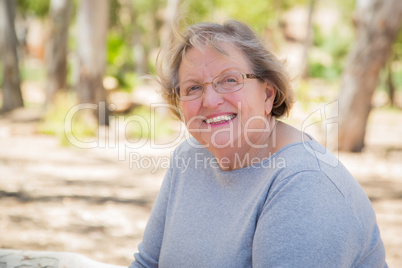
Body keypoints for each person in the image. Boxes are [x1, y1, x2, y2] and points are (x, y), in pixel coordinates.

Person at [129, 20, 387, 267]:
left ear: (267, 94)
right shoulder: (189, 156)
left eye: (229, 80)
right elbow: (148, 264)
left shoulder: (305, 183)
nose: (209, 100)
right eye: (193, 88)